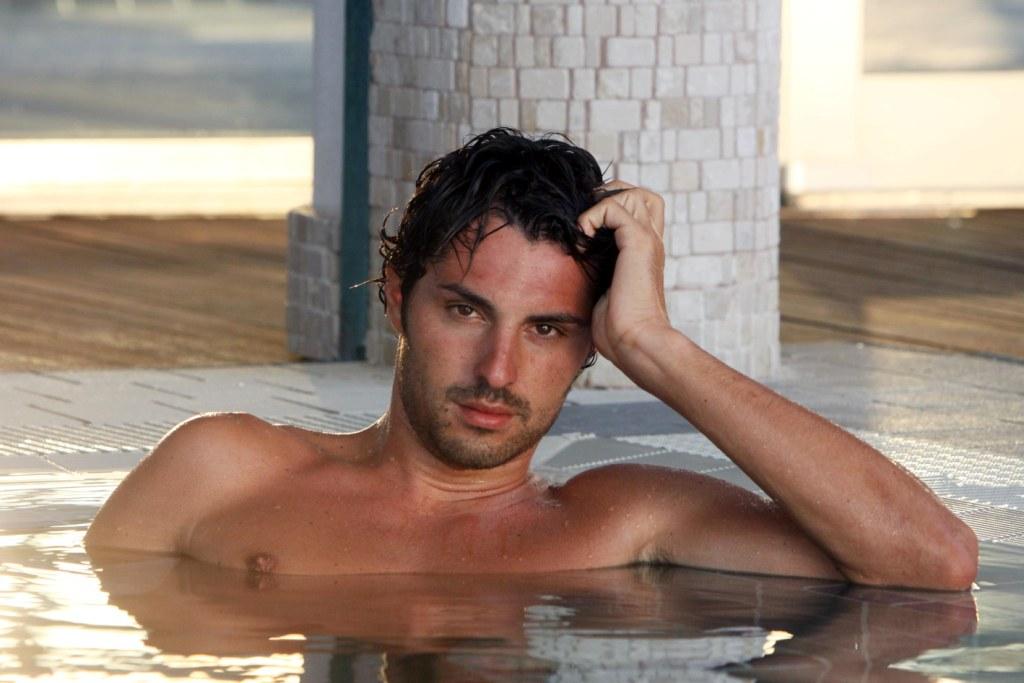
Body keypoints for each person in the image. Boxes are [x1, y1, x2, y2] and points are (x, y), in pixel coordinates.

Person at [85, 128, 977, 589]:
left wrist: (658, 348)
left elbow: (931, 560)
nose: (498, 370)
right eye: (465, 310)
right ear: (396, 295)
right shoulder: (223, 471)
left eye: (548, 328)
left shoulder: (625, 524)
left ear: (591, 343)